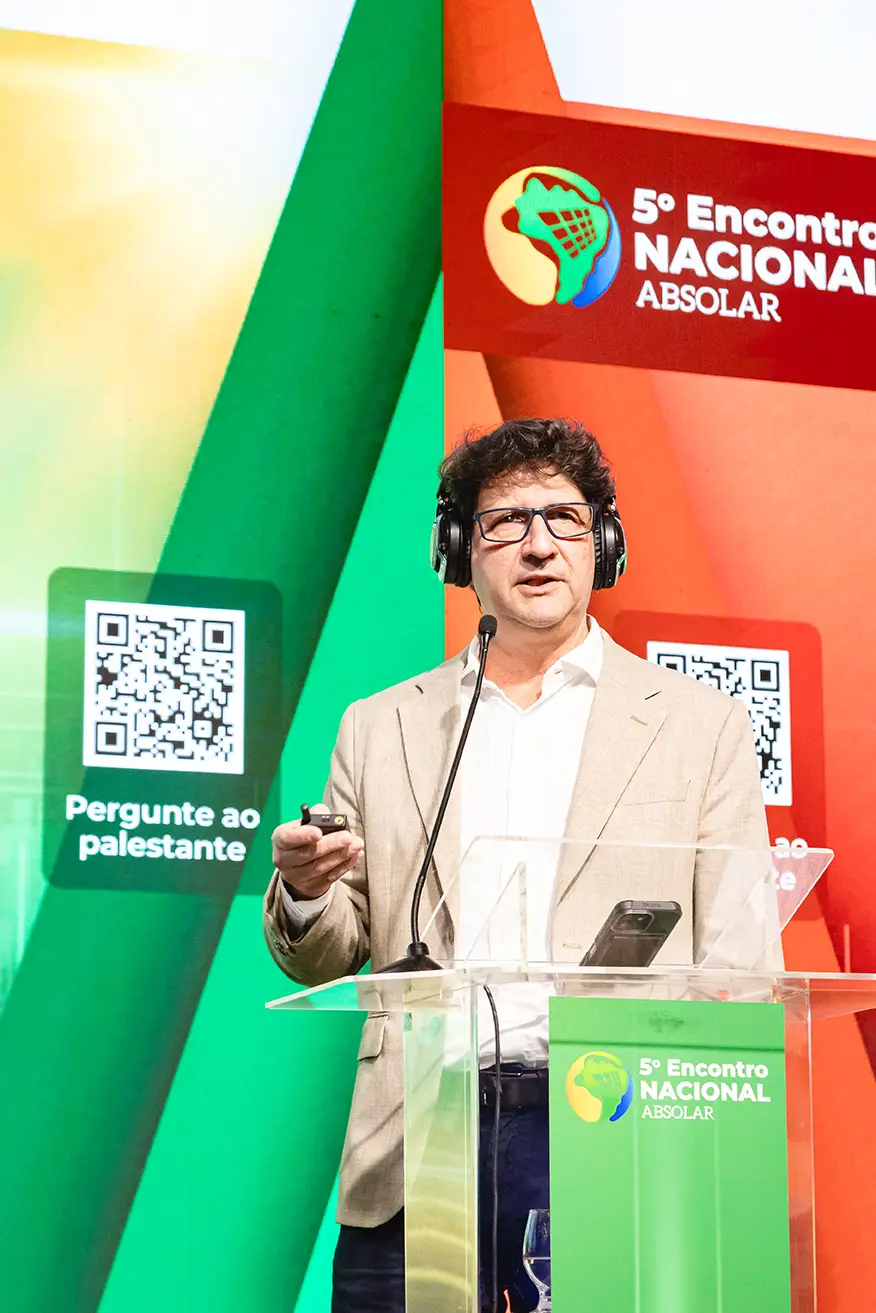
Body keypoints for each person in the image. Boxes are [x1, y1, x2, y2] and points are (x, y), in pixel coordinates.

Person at [264, 418, 777, 1312]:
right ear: (458, 548)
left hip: (618, 1126)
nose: (539, 545)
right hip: (419, 1134)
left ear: (603, 542)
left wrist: (707, 1149)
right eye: (506, 521)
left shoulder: (701, 725)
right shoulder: (380, 725)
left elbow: (741, 966)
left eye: (565, 519)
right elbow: (331, 952)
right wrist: (308, 891)